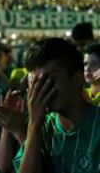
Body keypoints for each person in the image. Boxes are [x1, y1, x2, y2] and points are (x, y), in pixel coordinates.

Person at [14, 38, 100, 173]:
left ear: (77, 79)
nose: (42, 89)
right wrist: (34, 125)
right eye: (36, 83)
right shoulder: (41, 127)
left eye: (51, 80)